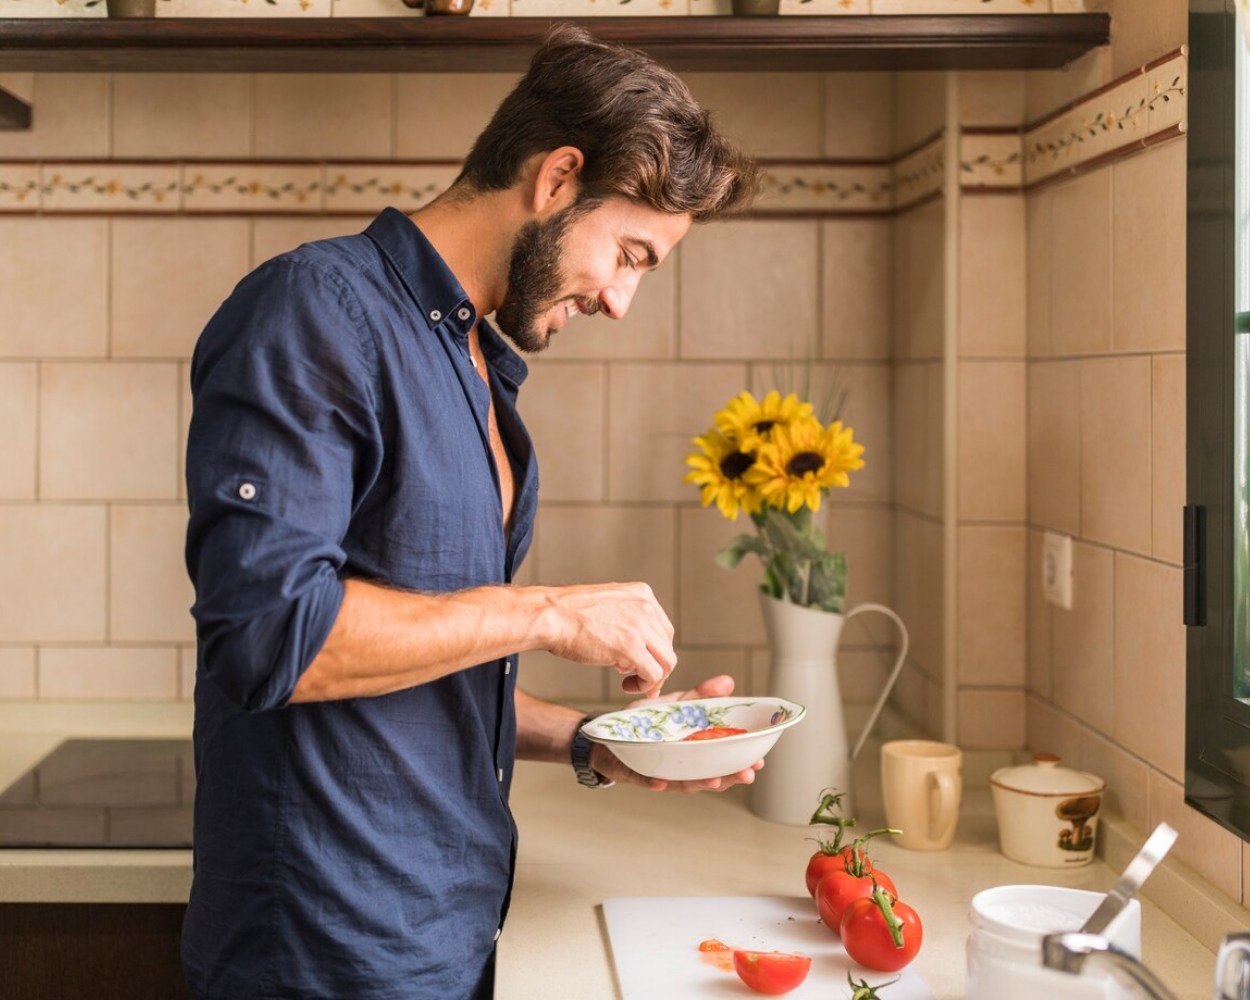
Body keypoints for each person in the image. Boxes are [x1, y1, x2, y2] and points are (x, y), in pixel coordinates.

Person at [180, 23, 761, 1000]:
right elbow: (268, 635)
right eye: (627, 254)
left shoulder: (471, 366)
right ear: (556, 179)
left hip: (443, 935)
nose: (619, 300)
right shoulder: (312, 311)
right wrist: (548, 611)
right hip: (321, 956)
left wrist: (590, 744)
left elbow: (419, 681)